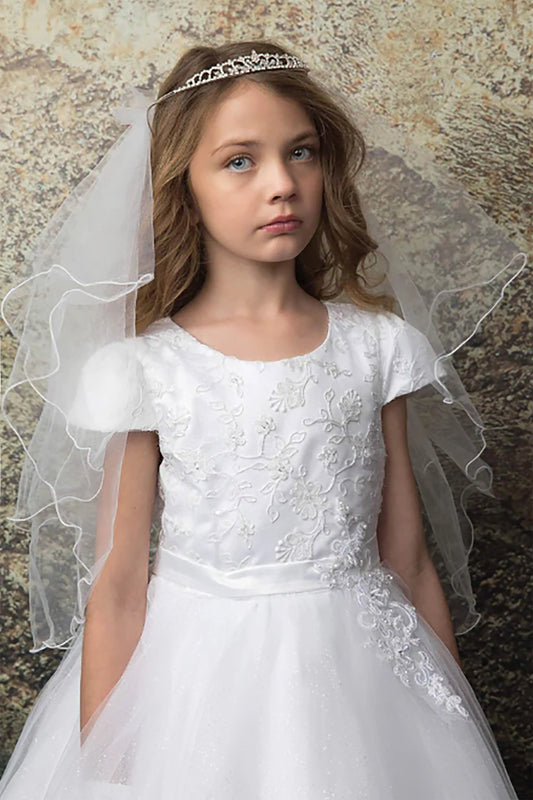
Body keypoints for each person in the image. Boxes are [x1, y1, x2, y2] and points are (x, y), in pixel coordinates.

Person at [0, 40, 526, 799]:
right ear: (183, 185)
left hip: (367, 679)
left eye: (301, 152)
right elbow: (117, 586)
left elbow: (409, 564)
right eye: (239, 161)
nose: (281, 184)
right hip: (197, 684)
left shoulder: (376, 348)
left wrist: (451, 722)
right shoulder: (148, 369)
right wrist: (106, 773)